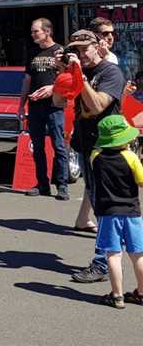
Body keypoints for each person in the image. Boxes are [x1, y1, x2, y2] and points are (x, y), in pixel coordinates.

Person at [52, 29, 128, 283]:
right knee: (99, 204)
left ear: (97, 46)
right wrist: (62, 74)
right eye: (77, 50)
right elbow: (58, 101)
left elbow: (96, 105)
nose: (82, 54)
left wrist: (80, 77)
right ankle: (108, 257)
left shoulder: (110, 73)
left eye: (86, 48)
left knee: (107, 208)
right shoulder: (77, 70)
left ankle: (102, 263)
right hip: (87, 146)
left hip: (108, 149)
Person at [87, 114, 143, 308]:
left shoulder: (95, 157)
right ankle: (142, 292)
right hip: (132, 211)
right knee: (138, 253)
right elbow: (141, 181)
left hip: (108, 212)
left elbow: (96, 154)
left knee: (113, 254)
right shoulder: (131, 157)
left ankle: (117, 295)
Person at [19, 17, 69, 200]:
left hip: (54, 106)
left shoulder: (60, 51)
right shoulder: (32, 52)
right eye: (32, 31)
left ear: (47, 31)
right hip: (34, 107)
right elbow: (27, 81)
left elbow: (69, 80)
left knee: (59, 145)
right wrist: (21, 104)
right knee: (37, 147)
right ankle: (42, 184)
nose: (33, 34)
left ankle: (62, 185)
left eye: (36, 31)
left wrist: (52, 88)